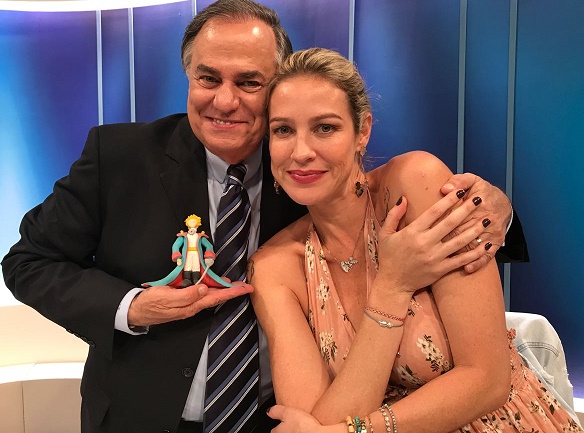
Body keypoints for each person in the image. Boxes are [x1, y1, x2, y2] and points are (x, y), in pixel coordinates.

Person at [1, 1, 527, 432]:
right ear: (188, 76)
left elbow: (416, 213)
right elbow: (28, 261)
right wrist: (132, 307)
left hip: (267, 421)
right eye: (208, 78)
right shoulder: (119, 156)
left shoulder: (306, 178)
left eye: (249, 82)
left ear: (276, 89)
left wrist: (496, 211)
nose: (224, 101)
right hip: (141, 418)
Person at [249, 47, 581, 433]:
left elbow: (487, 380)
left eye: (325, 128)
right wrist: (392, 287)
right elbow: (311, 422)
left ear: (362, 131)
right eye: (283, 130)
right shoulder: (273, 267)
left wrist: (355, 430)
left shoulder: (414, 184)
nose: (301, 152)